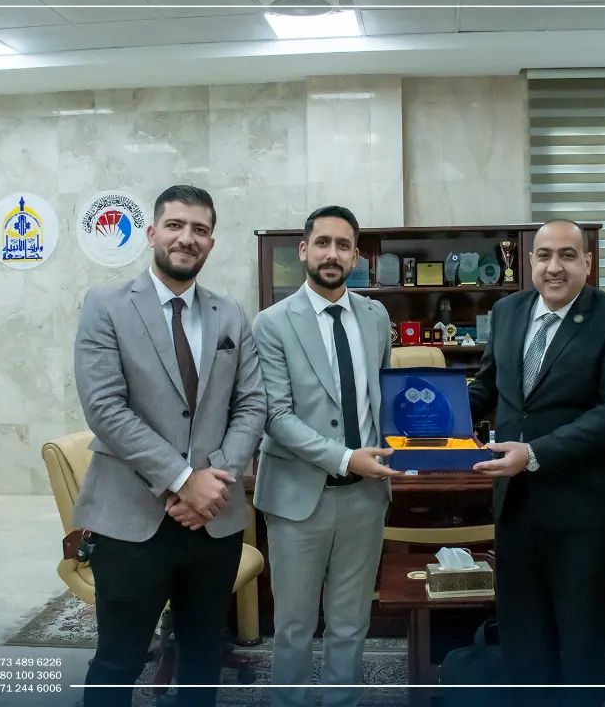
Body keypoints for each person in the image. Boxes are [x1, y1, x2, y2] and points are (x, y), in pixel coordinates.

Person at [73, 185, 267, 707]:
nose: (187, 238)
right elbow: (105, 408)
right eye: (176, 225)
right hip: (131, 518)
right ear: (152, 232)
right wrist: (183, 480)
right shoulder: (105, 305)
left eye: (200, 229)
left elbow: (252, 404)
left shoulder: (231, 314)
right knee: (118, 659)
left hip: (214, 518)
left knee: (203, 655)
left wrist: (214, 480)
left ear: (211, 243)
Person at [468, 219, 605, 707]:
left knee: (581, 635)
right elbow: (490, 385)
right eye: (544, 255)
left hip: (584, 507)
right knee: (522, 631)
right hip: (515, 503)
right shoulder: (507, 310)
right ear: (530, 261)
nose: (554, 267)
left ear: (587, 262)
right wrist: (436, 415)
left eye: (567, 255)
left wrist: (535, 454)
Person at [251, 205, 395, 707]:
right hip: (297, 497)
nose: (333, 254)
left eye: (343, 245)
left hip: (366, 498)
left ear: (357, 256)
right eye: (323, 243)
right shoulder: (271, 324)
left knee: (351, 621)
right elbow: (276, 416)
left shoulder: (376, 317)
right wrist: (346, 458)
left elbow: (384, 399)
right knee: (293, 625)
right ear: (304, 250)